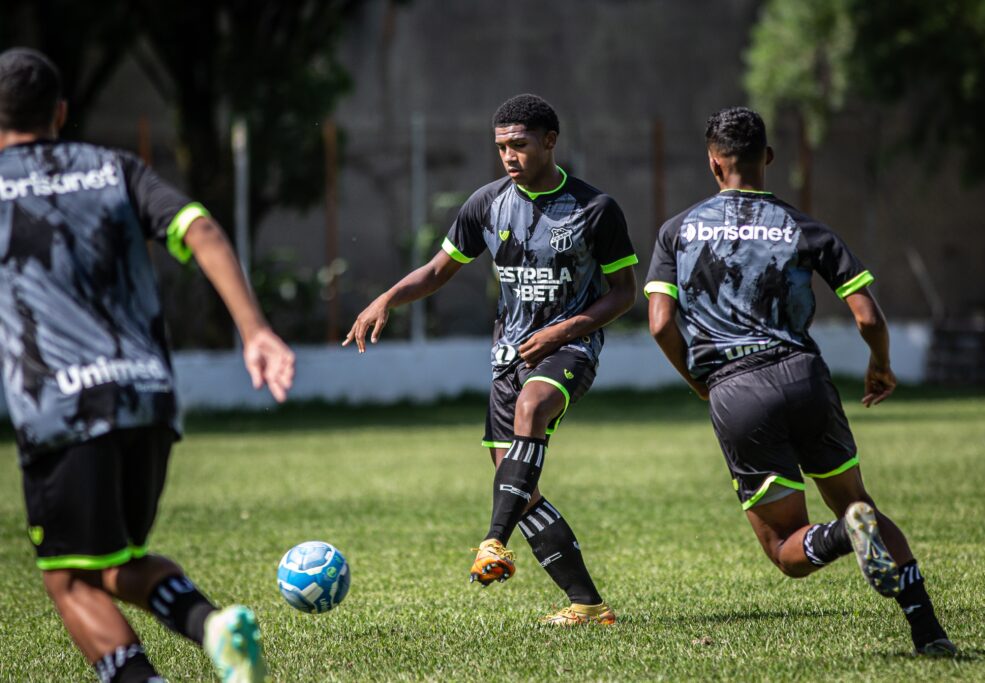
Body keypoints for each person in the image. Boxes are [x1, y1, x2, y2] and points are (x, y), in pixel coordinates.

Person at [0, 48, 295, 682]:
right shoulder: (112, 167)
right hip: (148, 397)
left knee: (68, 581)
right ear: (60, 112)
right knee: (111, 562)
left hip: (63, 406)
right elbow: (200, 229)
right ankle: (210, 626)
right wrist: (256, 331)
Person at [644, 106, 956, 656]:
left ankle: (841, 536)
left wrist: (699, 379)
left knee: (786, 548)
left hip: (737, 389)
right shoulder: (804, 226)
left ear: (714, 163)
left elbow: (661, 324)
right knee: (856, 499)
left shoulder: (676, 231)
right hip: (804, 378)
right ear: (767, 158)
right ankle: (928, 631)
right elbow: (866, 316)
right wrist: (880, 364)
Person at [345, 93, 638, 625]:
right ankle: (587, 604)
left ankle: (492, 542)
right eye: (501, 146)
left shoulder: (596, 209)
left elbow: (623, 294)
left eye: (519, 145)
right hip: (508, 356)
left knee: (533, 409)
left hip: (570, 347)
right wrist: (386, 298)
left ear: (550, 142)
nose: (508, 156)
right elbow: (438, 270)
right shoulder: (486, 203)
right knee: (516, 486)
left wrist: (566, 331)